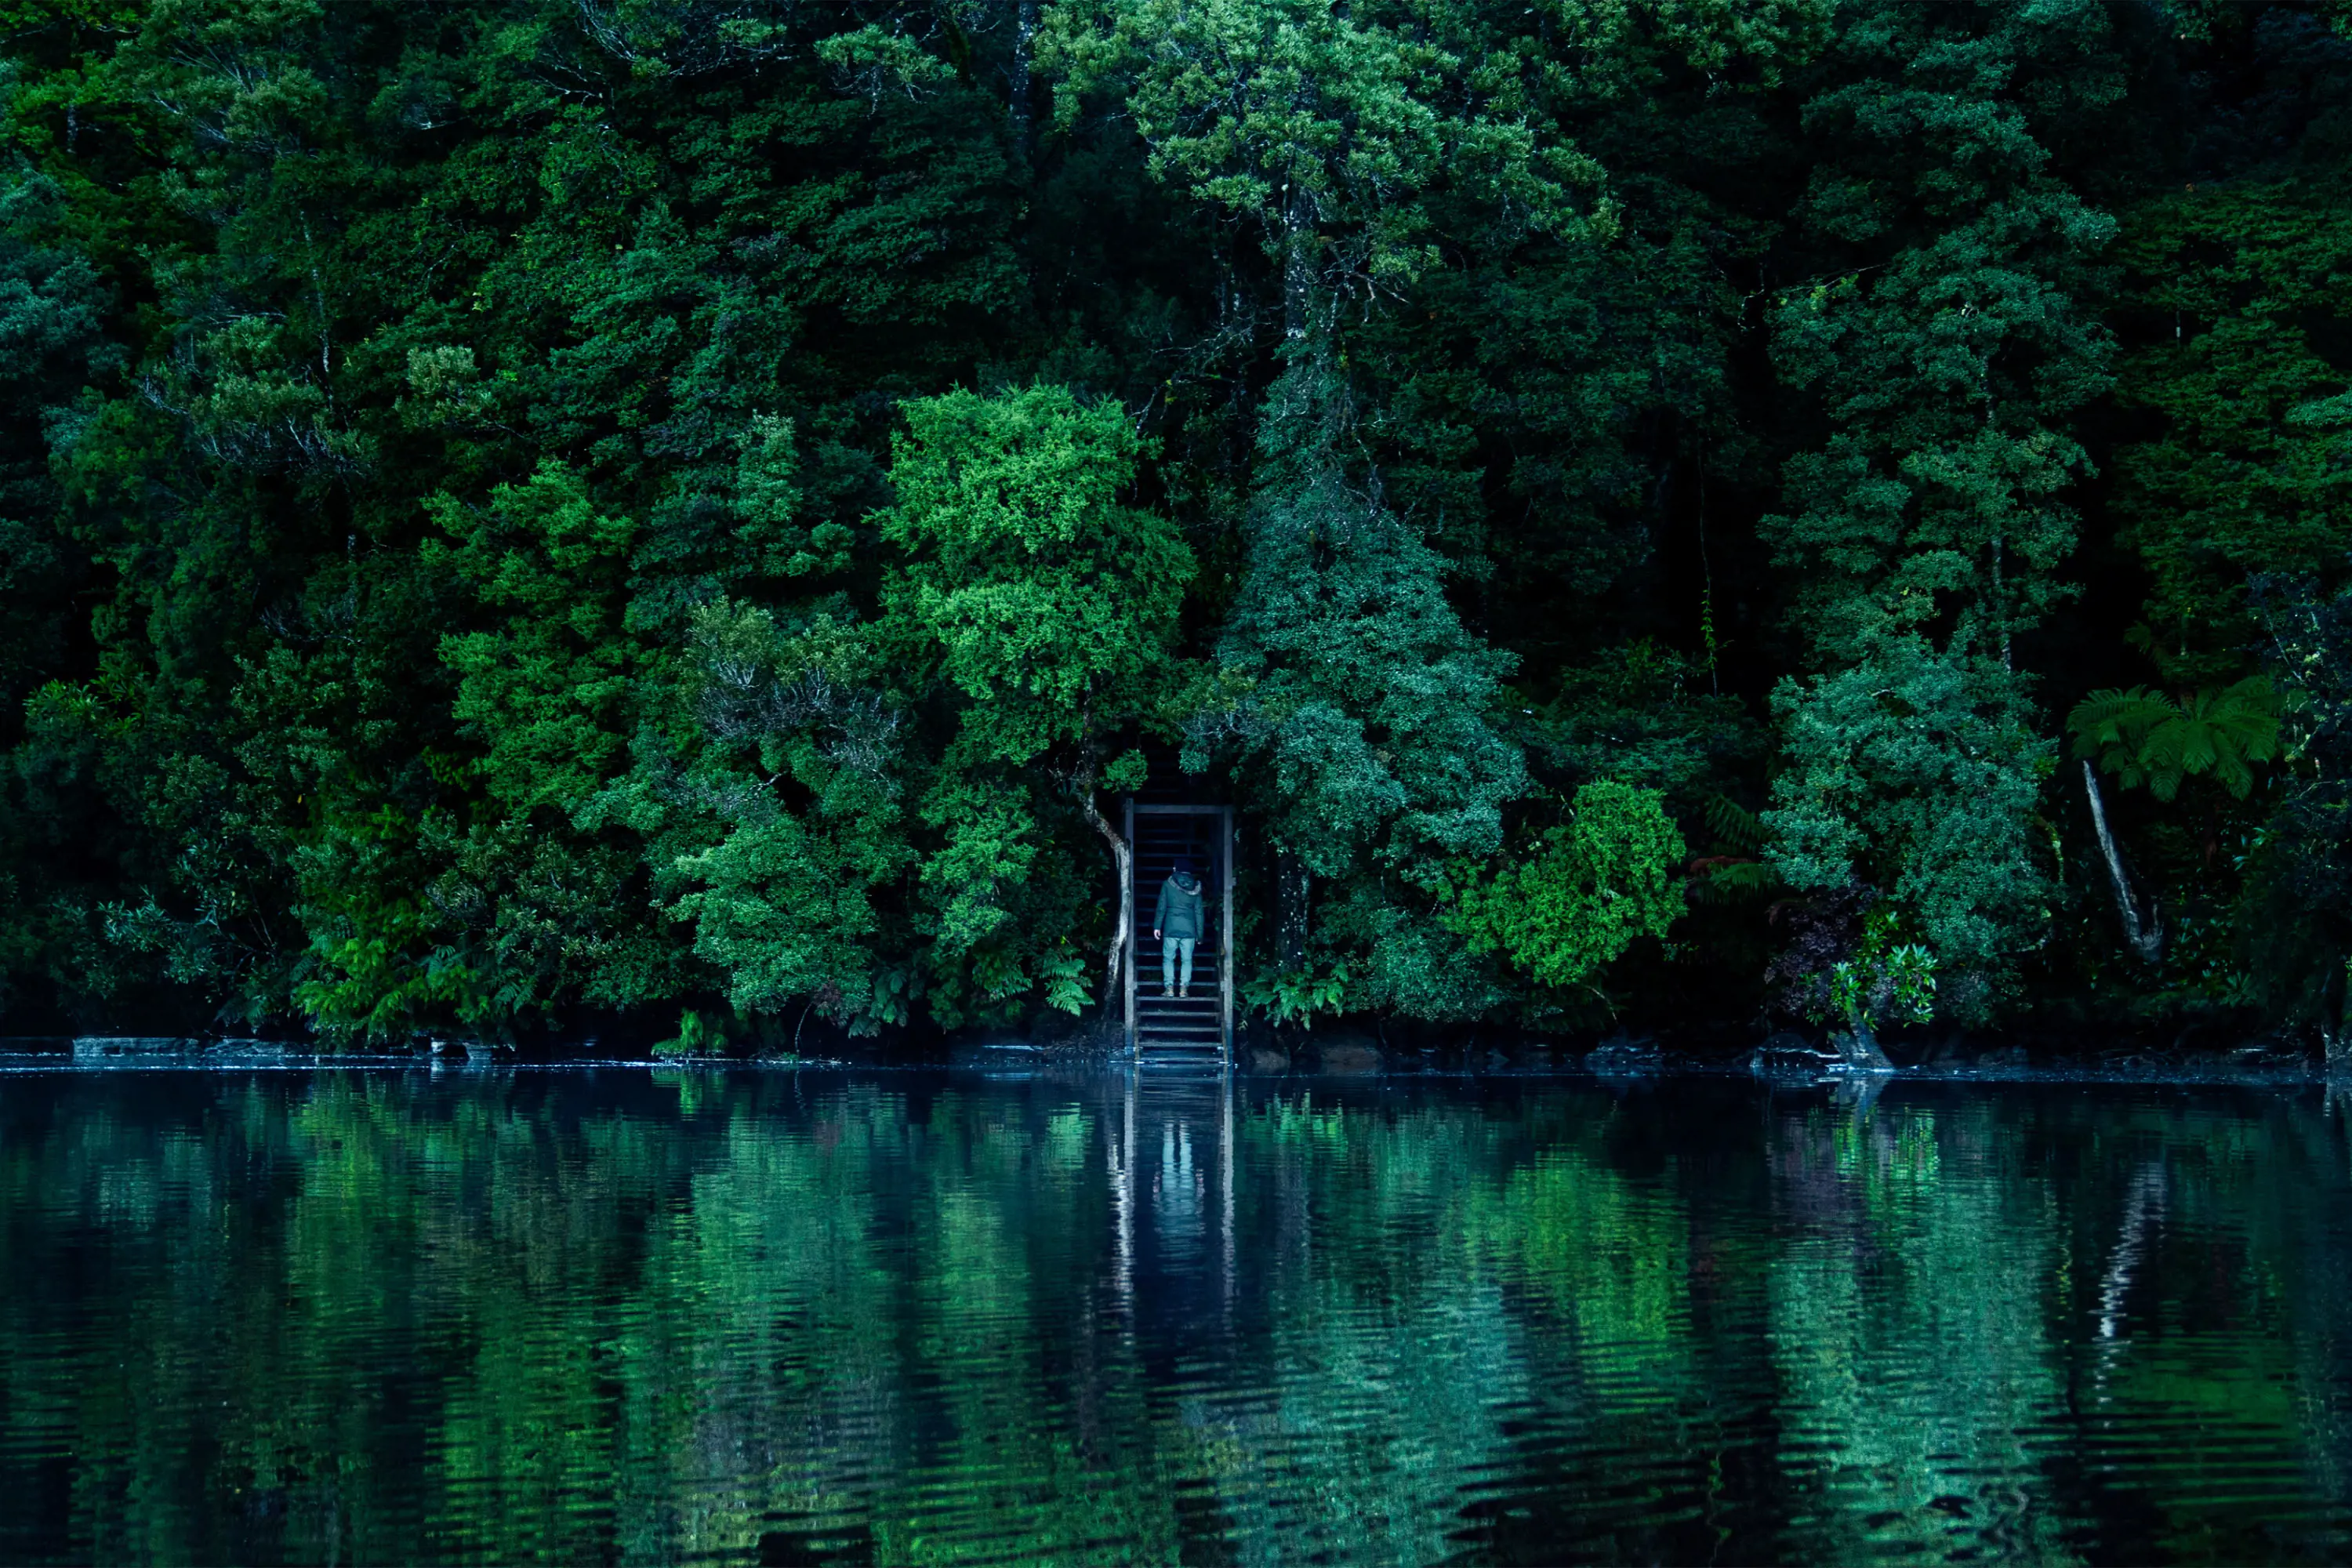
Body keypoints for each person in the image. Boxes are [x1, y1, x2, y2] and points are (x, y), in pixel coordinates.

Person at [1152, 855, 1205, 998]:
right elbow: (1199, 912)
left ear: (1178, 868)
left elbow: (1161, 907)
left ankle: (1169, 989)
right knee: (1187, 960)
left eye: (1175, 866)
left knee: (1168, 958)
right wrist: (1200, 934)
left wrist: (1157, 926)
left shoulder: (1168, 884)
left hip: (1170, 928)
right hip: (1189, 930)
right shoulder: (1196, 887)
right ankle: (1183, 990)